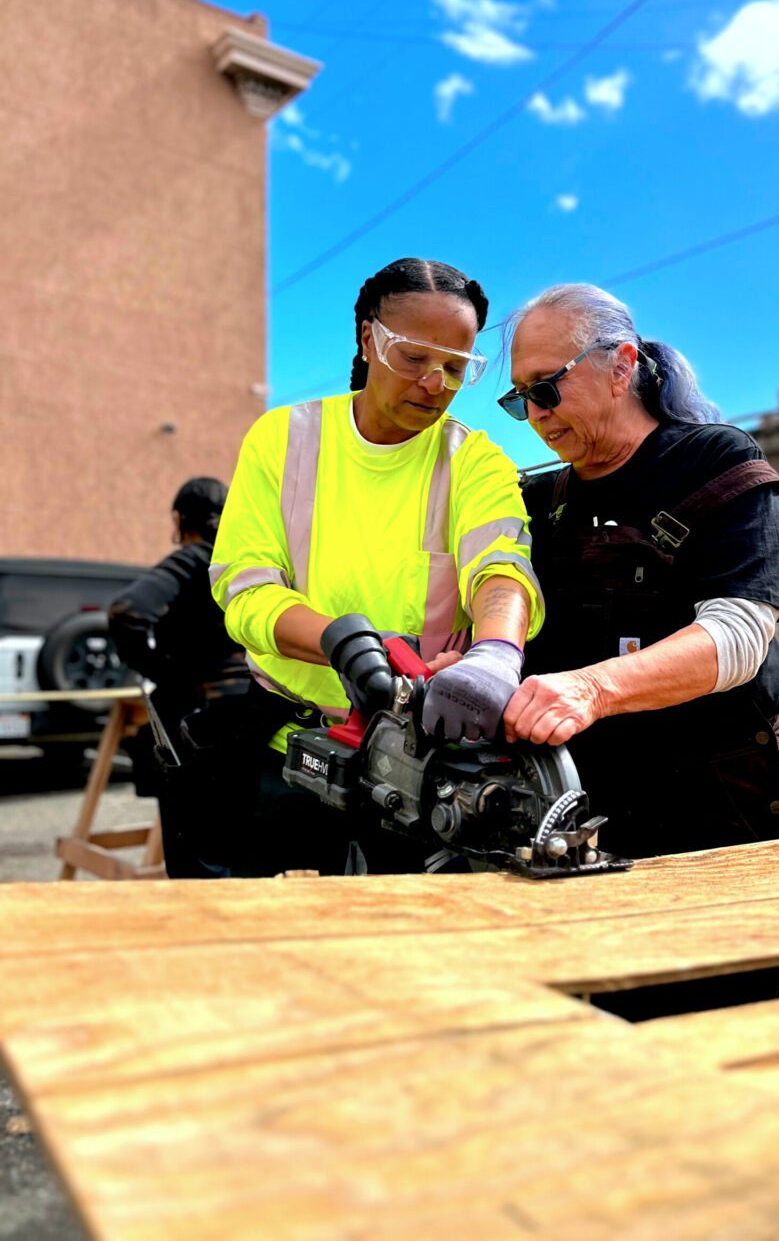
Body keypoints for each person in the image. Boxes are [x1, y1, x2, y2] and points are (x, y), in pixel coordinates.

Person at [500, 284, 779, 1014]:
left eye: (547, 387)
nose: (536, 413)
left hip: (717, 833)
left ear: (620, 364)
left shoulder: (714, 463)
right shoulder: (540, 504)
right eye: (518, 399)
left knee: (724, 1039)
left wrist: (591, 688)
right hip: (580, 830)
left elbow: (737, 638)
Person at [210, 257, 543, 877]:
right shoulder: (282, 439)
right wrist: (341, 643)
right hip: (293, 751)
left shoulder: (474, 461)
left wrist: (497, 653)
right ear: (368, 338)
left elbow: (502, 567)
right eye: (414, 358)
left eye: (455, 367)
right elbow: (246, 589)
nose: (435, 383)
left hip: (419, 766)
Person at [108, 477, 248, 878]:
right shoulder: (245, 564)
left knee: (194, 864)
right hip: (253, 715)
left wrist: (163, 673)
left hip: (195, 721)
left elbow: (127, 613)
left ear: (177, 518)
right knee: (238, 849)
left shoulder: (193, 558)